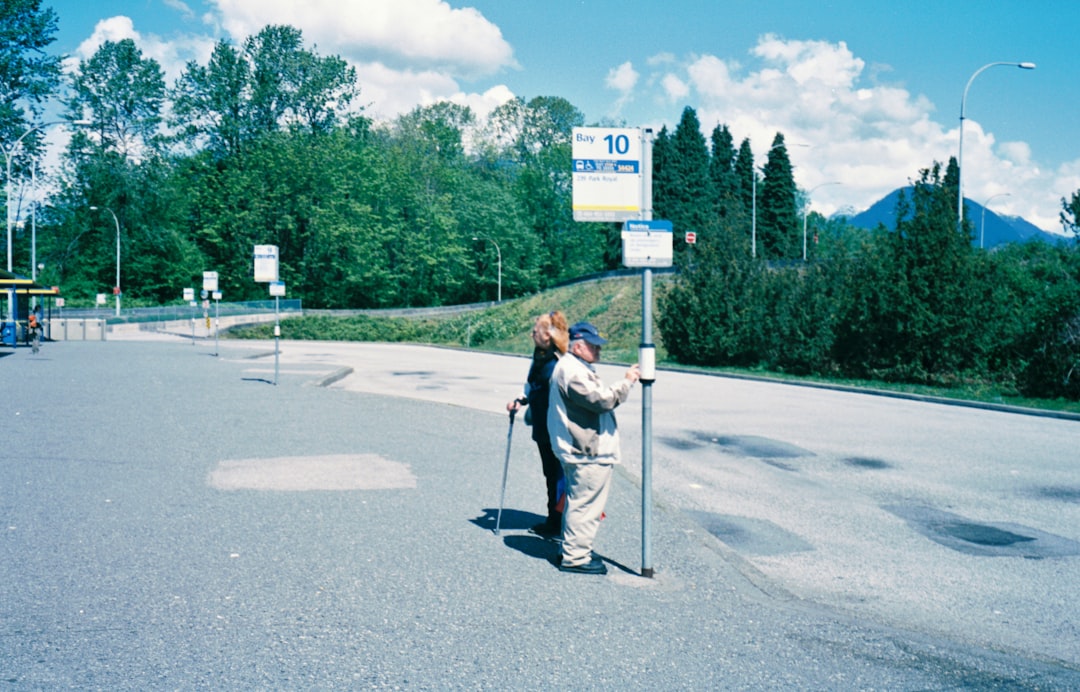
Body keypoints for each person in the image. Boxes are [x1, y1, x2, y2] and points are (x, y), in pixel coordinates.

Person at [548, 321, 640, 575]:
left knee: (578, 502)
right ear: (578, 347)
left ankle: (571, 549)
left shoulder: (572, 366)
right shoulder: (573, 371)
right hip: (585, 451)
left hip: (579, 449)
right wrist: (627, 382)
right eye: (593, 346)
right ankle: (575, 557)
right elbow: (603, 400)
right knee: (586, 506)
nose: (599, 351)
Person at [507, 311, 569, 537]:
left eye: (536, 330)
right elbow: (532, 384)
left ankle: (561, 521)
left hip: (557, 427)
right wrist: (520, 400)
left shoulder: (560, 361)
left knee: (560, 474)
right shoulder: (540, 355)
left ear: (548, 336)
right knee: (551, 474)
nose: (532, 333)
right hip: (543, 425)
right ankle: (554, 519)